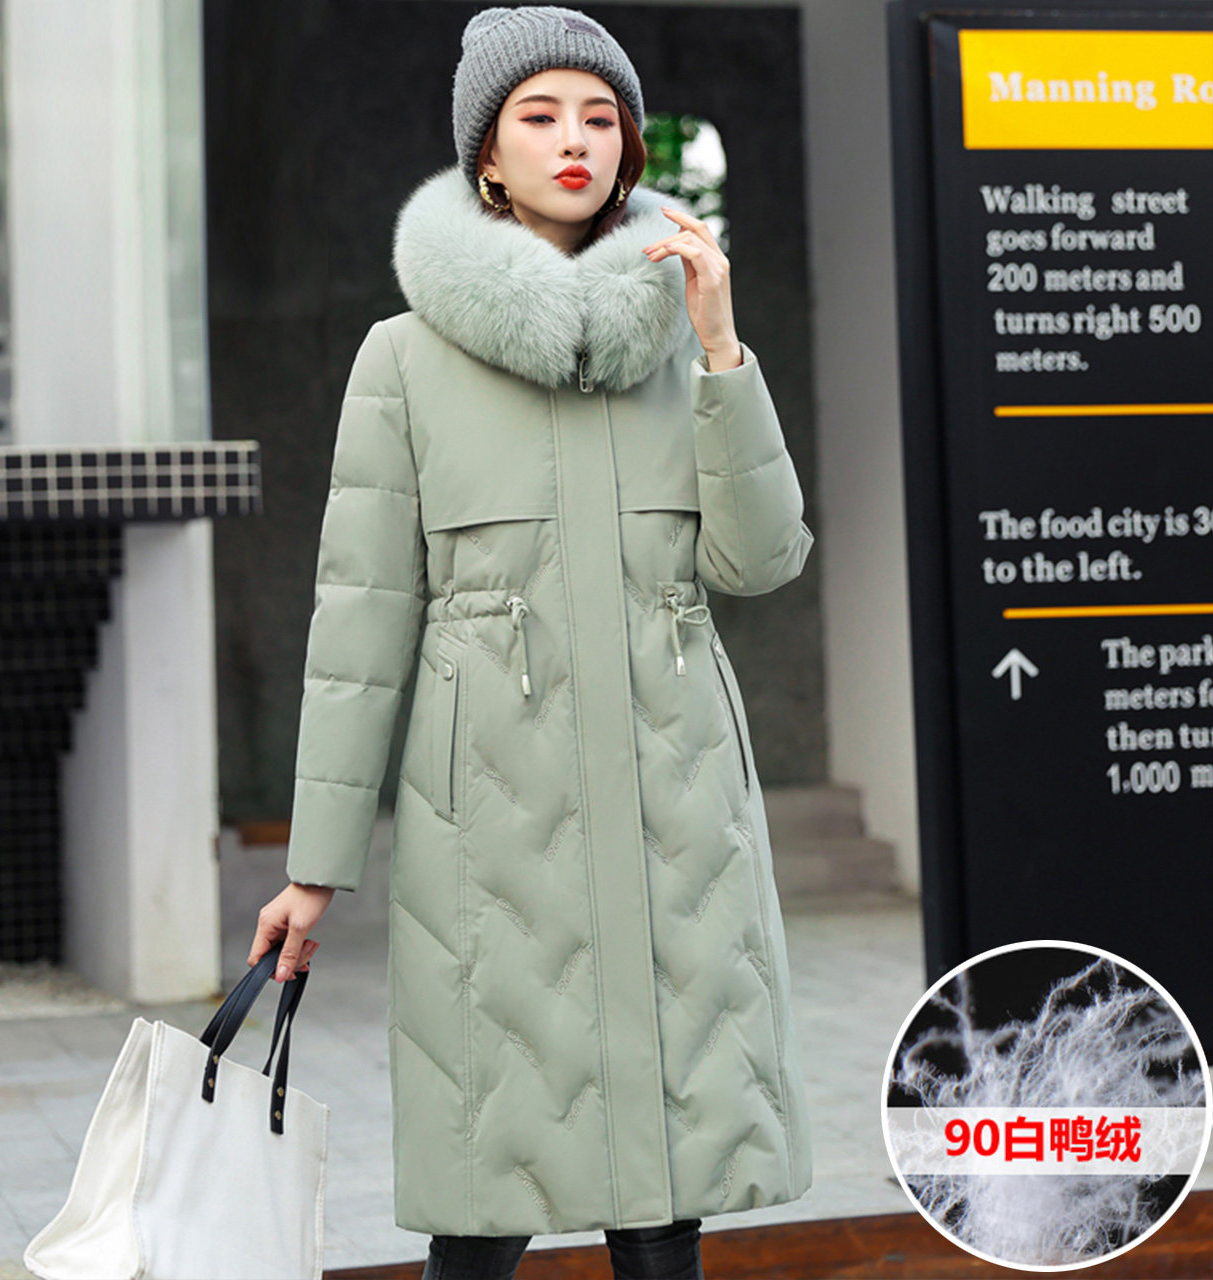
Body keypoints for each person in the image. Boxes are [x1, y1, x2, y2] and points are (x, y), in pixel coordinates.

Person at [248, 7, 815, 1278]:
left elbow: (761, 561)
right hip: (490, 827)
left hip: (676, 809)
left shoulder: (687, 340)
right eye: (540, 115)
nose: (575, 139)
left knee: (667, 1195)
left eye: (600, 116)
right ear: (487, 159)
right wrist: (314, 870)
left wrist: (722, 348)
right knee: (483, 1192)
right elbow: (358, 623)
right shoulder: (402, 360)